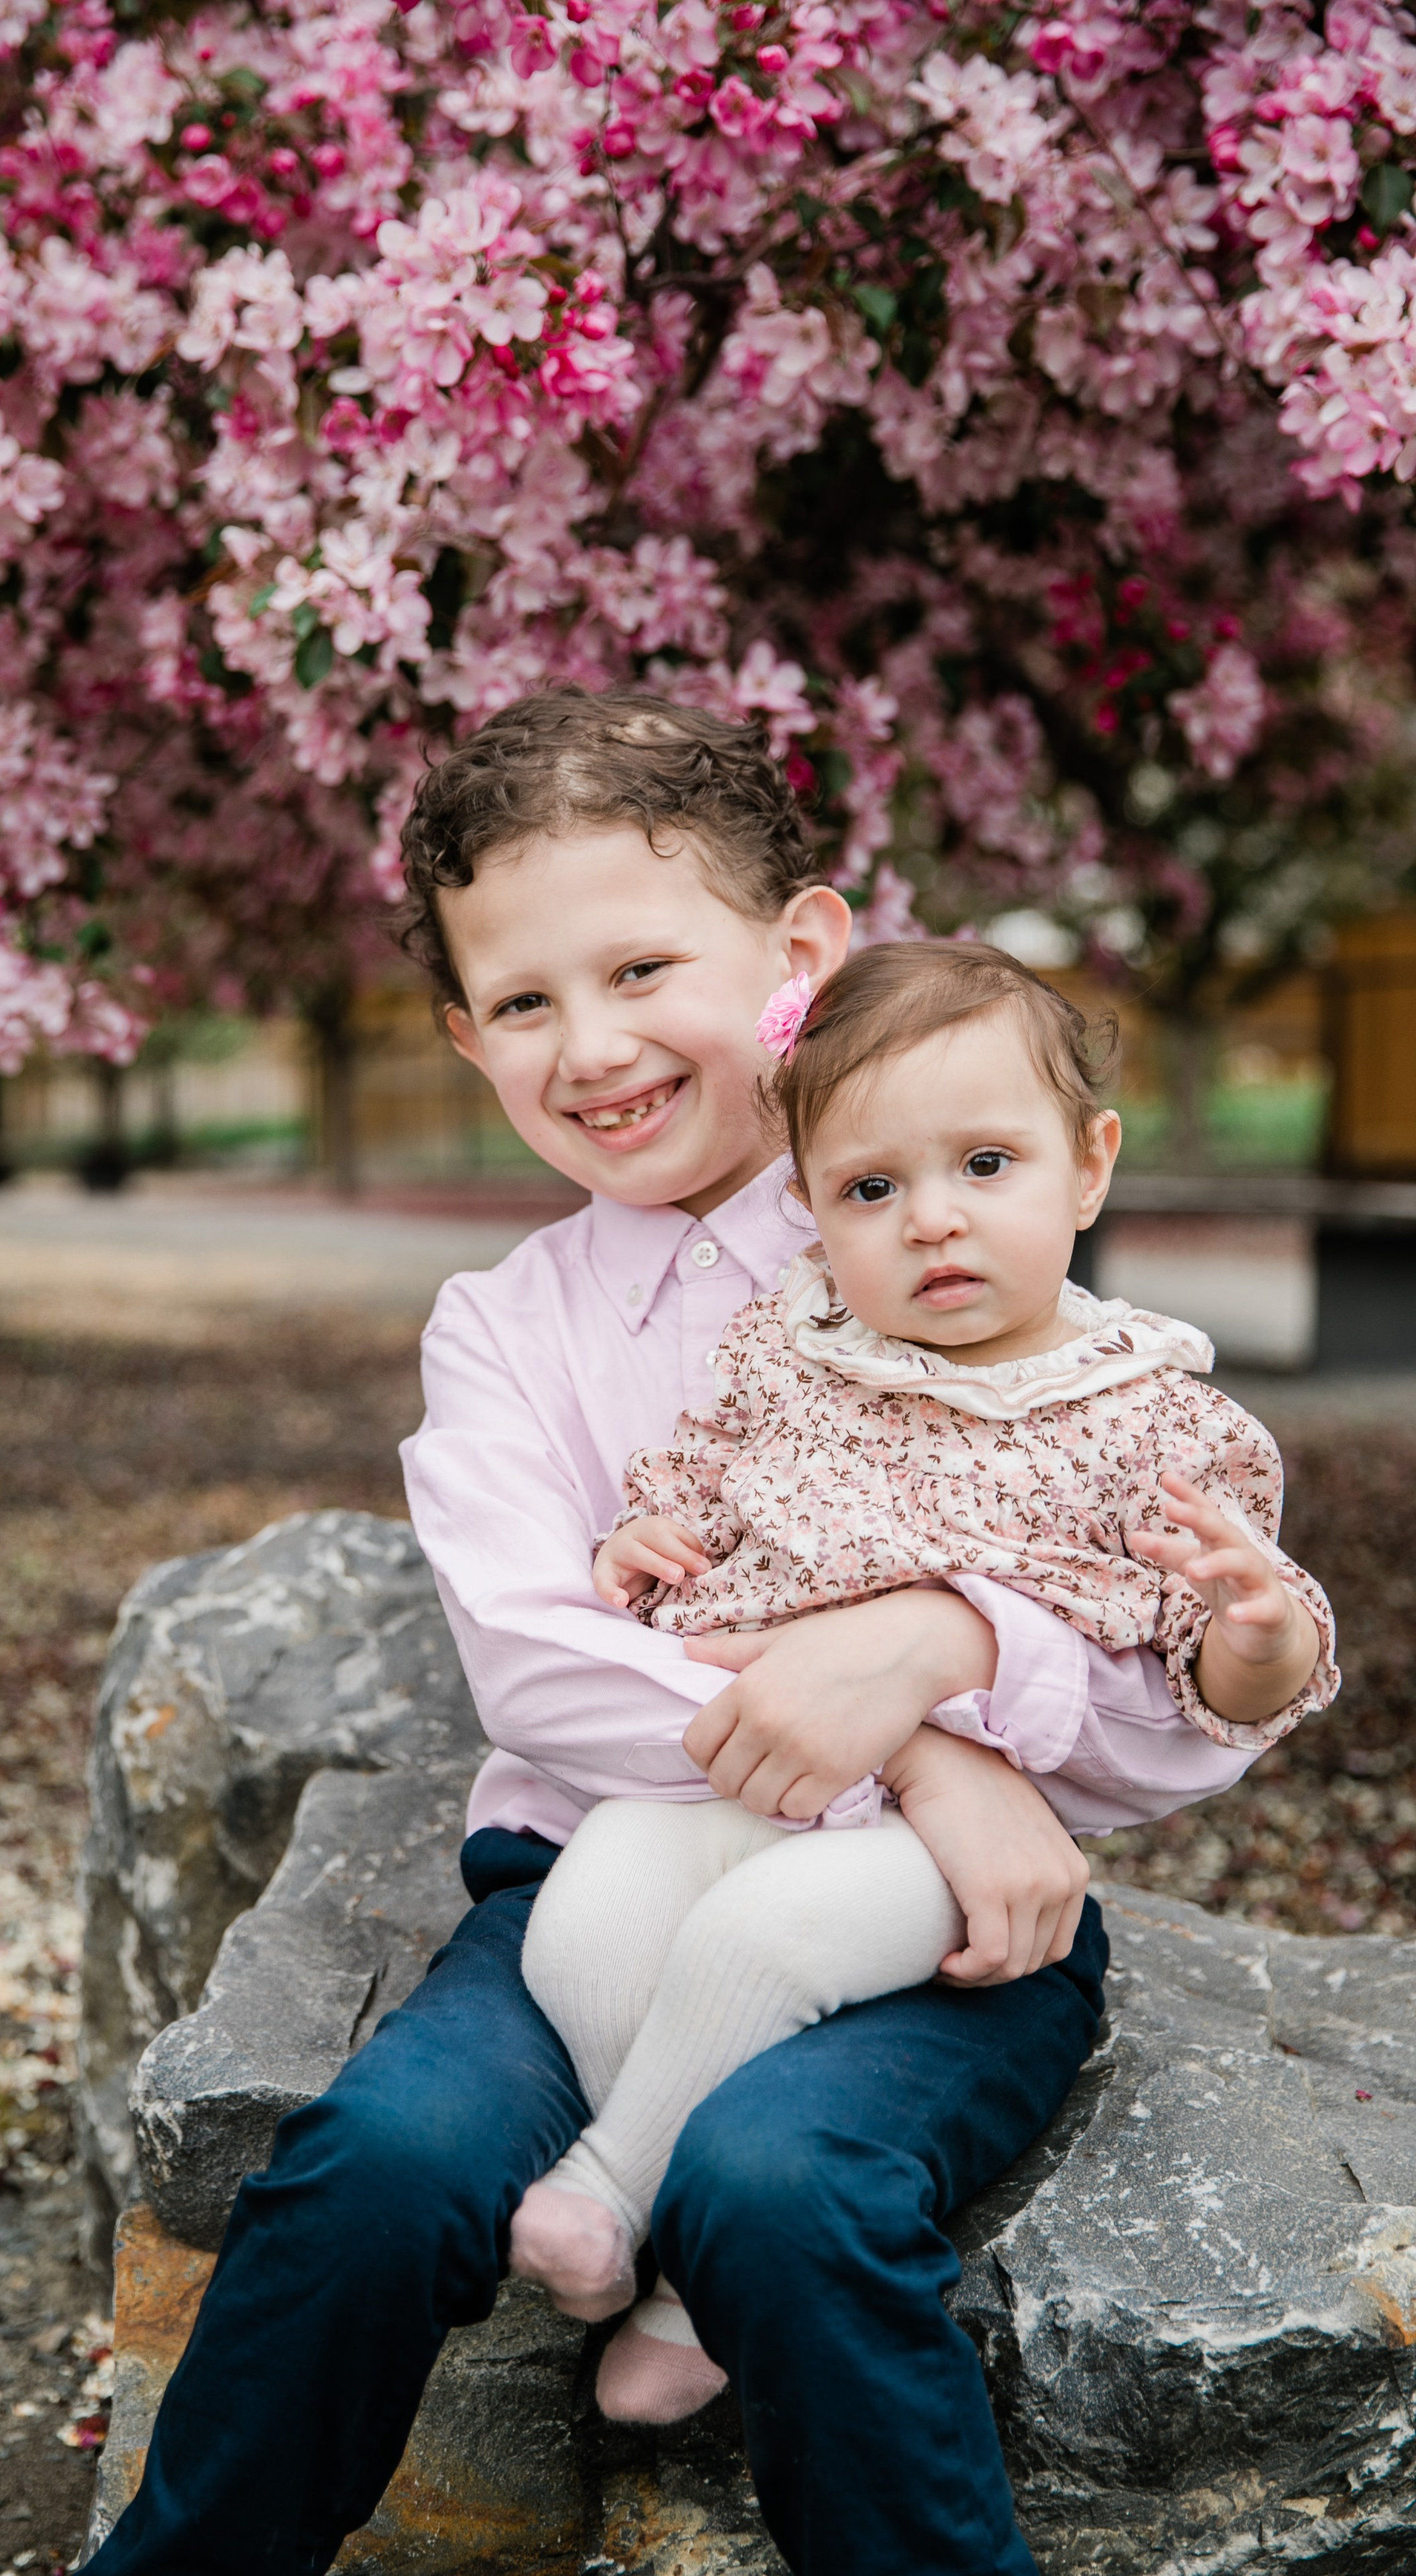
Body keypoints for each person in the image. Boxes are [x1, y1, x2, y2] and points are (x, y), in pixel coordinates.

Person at [89, 692, 1307, 2576]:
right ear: (465, 1036)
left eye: (643, 965)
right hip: (592, 1895)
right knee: (375, 2171)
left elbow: (1162, 1738)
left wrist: (957, 1636)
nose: (591, 1047)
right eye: (521, 1003)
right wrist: (922, 1729)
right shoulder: (506, 1329)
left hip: (929, 1946)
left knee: (778, 2187)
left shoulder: (958, 1252)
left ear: (797, 959)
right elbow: (541, 1667)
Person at [507, 939, 1336, 2424]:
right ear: (812, 1215)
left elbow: (1227, 1663)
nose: (931, 1222)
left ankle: (630, 2215)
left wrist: (1254, 1622)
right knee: (590, 1917)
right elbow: (703, 1471)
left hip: (928, 1837)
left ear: (1086, 1169)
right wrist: (655, 1530)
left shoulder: (1147, 1413)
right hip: (757, 1765)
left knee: (761, 1935)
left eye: (984, 1165)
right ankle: (687, 2195)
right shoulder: (798, 1344)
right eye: (871, 1190)